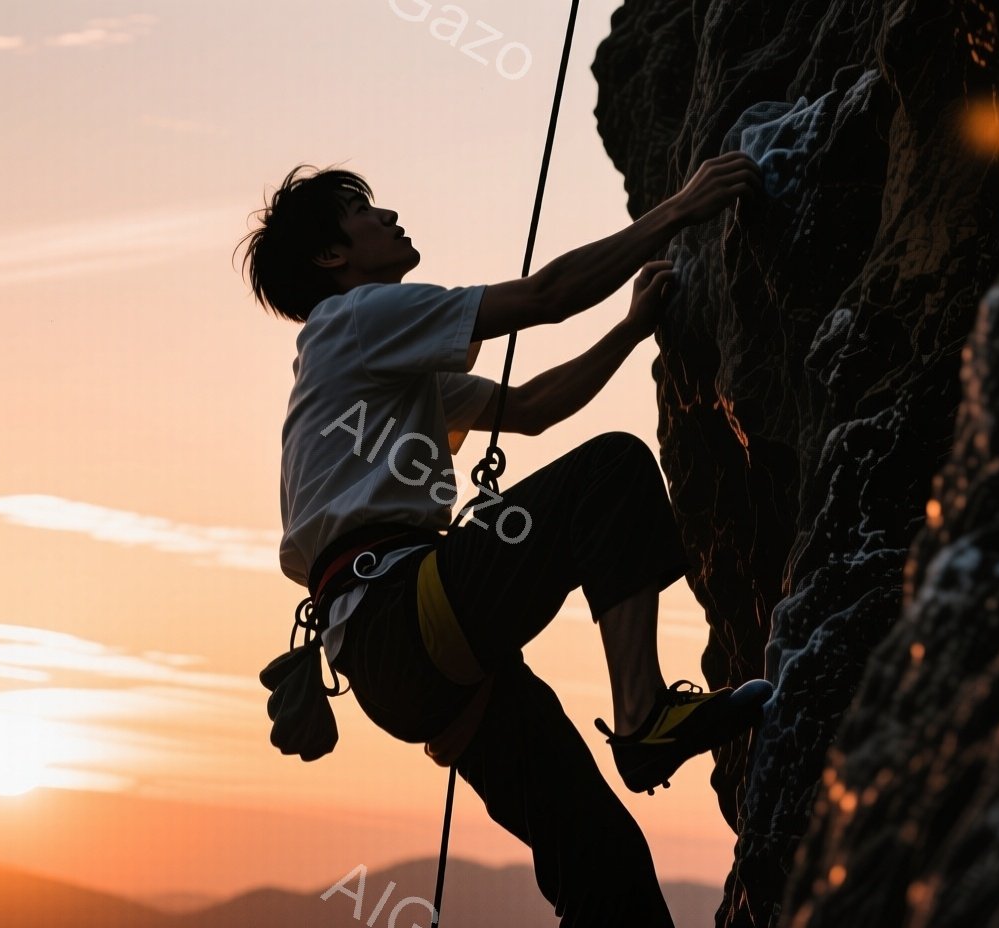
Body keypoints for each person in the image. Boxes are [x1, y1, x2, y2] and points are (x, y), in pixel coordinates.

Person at [240, 152, 772, 927]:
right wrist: (678, 209)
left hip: (398, 652)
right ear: (333, 257)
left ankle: (642, 730)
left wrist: (629, 332)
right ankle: (643, 715)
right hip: (402, 611)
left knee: (600, 858)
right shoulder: (353, 320)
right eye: (366, 214)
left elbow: (531, 407)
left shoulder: (376, 364)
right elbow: (547, 297)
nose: (388, 217)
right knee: (611, 471)